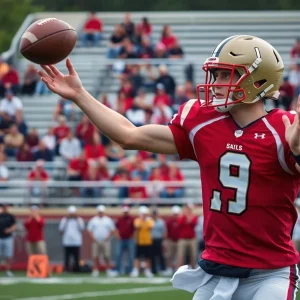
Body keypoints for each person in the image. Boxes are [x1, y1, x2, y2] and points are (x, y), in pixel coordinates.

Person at [39, 34, 300, 300]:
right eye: (216, 75)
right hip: (217, 272)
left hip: (269, 274)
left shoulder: (286, 129)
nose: (216, 84)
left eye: (225, 75)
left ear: (258, 81)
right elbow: (129, 135)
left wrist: (298, 147)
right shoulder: (203, 123)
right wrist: (80, 95)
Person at [59, 206, 85, 272]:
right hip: (67, 241)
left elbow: (82, 229)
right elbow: (61, 230)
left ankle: (76, 269)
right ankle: (66, 269)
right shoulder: (64, 220)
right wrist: (66, 221)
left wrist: (77, 220)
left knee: (76, 257)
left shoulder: (79, 220)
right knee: (67, 257)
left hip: (76, 241)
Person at [0, 203, 17, 277]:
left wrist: (9, 230)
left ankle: (8, 270)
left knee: (9, 255)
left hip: (8, 238)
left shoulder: (10, 216)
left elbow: (14, 226)